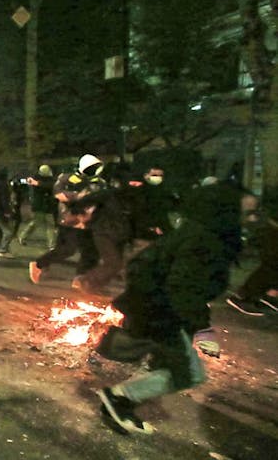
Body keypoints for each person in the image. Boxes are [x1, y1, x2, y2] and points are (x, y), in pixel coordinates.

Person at [95, 184, 231, 435]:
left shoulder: (195, 234)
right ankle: (118, 398)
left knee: (165, 365)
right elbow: (183, 288)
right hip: (163, 314)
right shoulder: (200, 239)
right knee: (190, 375)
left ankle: (121, 401)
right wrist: (203, 328)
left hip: (159, 311)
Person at [29, 154, 106, 285]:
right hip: (70, 221)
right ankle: (38, 264)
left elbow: (103, 198)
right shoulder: (67, 178)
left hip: (90, 222)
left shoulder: (99, 183)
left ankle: (80, 279)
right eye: (92, 167)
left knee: (91, 252)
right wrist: (81, 196)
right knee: (66, 249)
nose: (94, 170)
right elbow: (59, 194)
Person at [17, 164, 58, 249]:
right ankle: (22, 237)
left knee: (50, 226)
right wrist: (36, 183)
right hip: (39, 206)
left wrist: (37, 183)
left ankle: (52, 245)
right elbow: (43, 187)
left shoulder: (46, 181)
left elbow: (50, 186)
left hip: (48, 207)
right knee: (35, 223)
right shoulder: (36, 180)